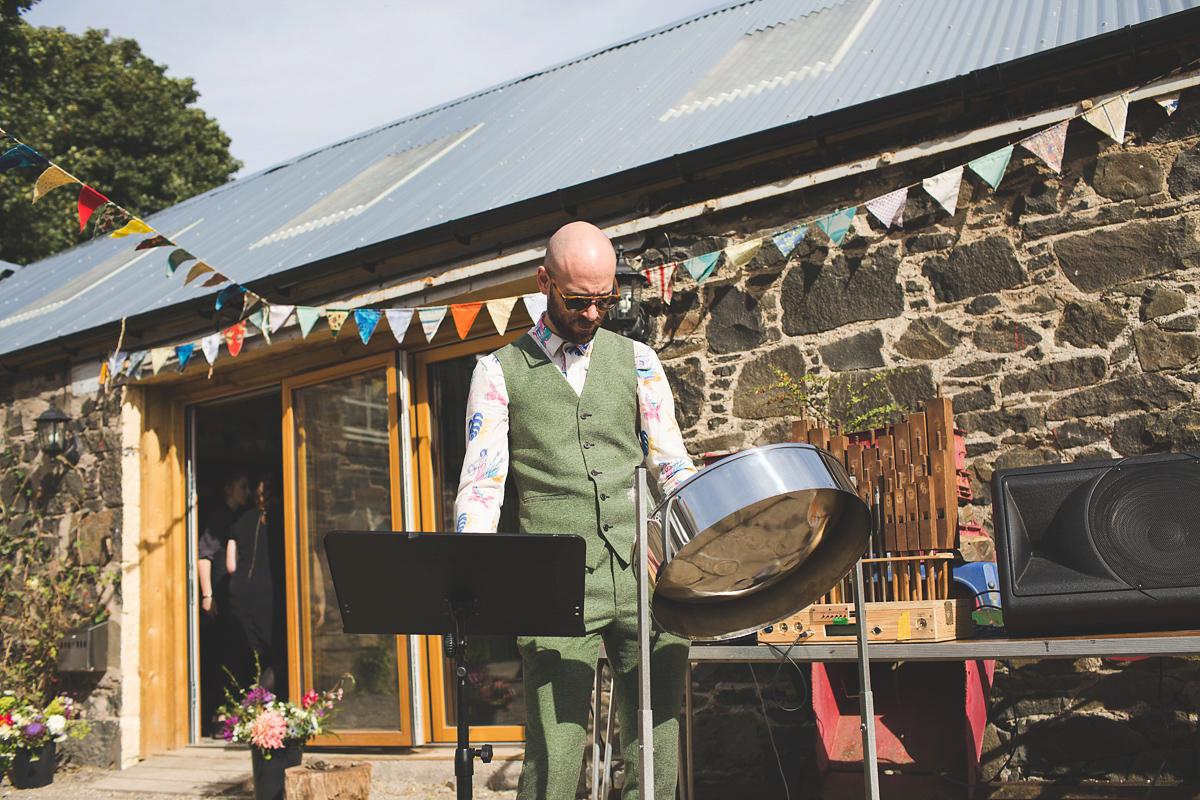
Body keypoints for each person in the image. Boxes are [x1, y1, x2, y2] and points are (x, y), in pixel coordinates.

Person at [455, 221, 698, 800]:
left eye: (605, 298)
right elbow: (483, 485)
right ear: (545, 282)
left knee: (656, 747)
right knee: (556, 753)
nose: (594, 312)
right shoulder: (497, 372)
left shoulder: (639, 360)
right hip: (552, 583)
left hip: (646, 575)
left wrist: (703, 546)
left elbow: (672, 465)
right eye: (579, 299)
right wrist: (469, 577)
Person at [197, 469, 250, 733]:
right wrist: (207, 595)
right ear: (229, 489)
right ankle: (219, 718)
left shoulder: (236, 517)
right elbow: (204, 555)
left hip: (228, 596)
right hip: (218, 596)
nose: (247, 492)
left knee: (233, 653)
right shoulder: (220, 518)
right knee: (223, 654)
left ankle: (228, 716)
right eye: (242, 486)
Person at [226, 472, 288, 698]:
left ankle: (243, 715)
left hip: (239, 592)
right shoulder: (284, 518)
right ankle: (252, 707)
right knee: (283, 656)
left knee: (249, 656)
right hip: (269, 593)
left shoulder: (241, 520)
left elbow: (231, 565)